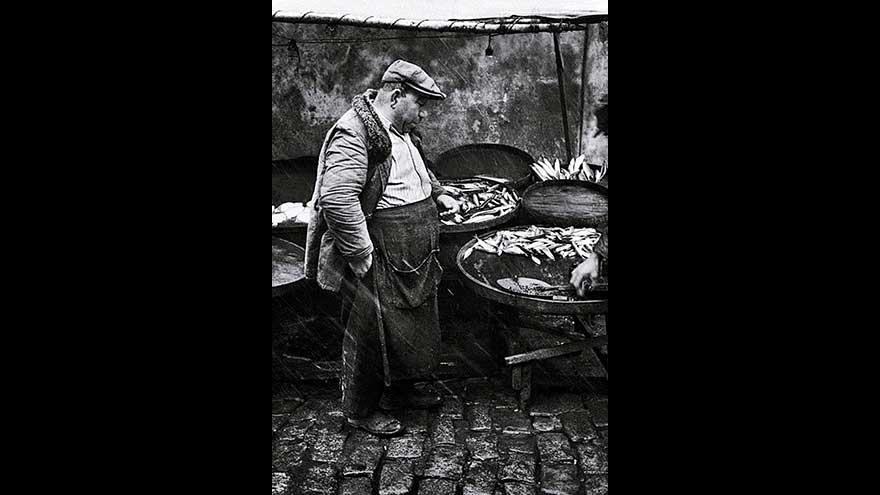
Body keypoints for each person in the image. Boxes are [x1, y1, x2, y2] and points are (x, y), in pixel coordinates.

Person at [304, 60, 461, 436]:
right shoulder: (355, 132)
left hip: (413, 249)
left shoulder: (400, 129)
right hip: (382, 247)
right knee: (370, 328)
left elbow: (413, 166)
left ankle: (399, 391)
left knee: (407, 325)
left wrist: (437, 193)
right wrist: (360, 252)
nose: (423, 113)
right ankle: (359, 409)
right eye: (419, 103)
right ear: (396, 96)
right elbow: (338, 197)